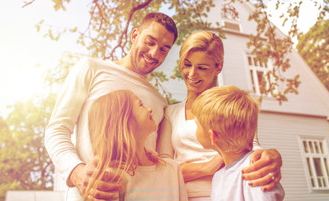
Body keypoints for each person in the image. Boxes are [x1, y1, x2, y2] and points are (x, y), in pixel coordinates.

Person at [44, 12, 178, 200]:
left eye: (164, 49)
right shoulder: (92, 69)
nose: (155, 53)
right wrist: (77, 172)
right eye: (150, 42)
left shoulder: (159, 102)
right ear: (134, 36)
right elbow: (56, 129)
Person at [157, 31, 283, 200]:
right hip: (184, 196)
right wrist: (208, 167)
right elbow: (163, 170)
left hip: (233, 192)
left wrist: (272, 156)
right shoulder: (171, 113)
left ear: (218, 67)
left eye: (202, 67)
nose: (192, 74)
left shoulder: (230, 105)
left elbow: (250, 148)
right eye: (187, 64)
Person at [84, 89, 187, 200]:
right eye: (141, 105)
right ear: (124, 120)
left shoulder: (172, 169)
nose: (150, 109)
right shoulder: (111, 177)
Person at [193, 85, 285, 201]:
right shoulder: (218, 177)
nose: (195, 130)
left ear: (213, 136)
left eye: (197, 125)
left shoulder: (255, 170)